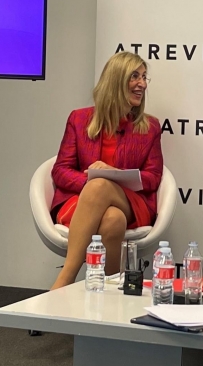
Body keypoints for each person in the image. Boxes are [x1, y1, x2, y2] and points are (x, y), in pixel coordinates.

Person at [50, 51, 163, 290]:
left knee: (101, 187)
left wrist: (112, 175)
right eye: (135, 77)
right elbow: (60, 170)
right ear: (116, 80)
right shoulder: (79, 119)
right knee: (112, 219)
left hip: (131, 202)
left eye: (144, 77)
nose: (142, 84)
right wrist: (92, 184)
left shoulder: (150, 127)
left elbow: (153, 177)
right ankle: (110, 293)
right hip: (80, 202)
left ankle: (63, 282)